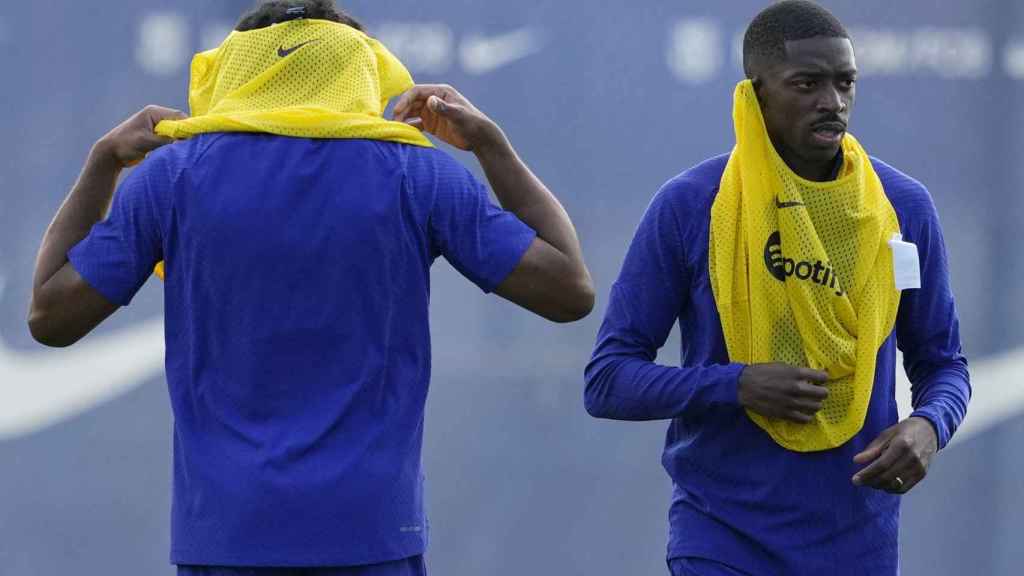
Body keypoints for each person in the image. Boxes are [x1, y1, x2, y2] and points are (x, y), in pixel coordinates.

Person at [28, 1, 593, 574]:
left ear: (234, 71)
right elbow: (569, 288)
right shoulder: (415, 173)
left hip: (226, 540)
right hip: (371, 538)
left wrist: (102, 163)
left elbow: (50, 316)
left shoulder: (173, 178)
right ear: (359, 71)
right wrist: (491, 146)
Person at [584, 2, 969, 575]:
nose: (832, 103)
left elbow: (944, 365)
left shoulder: (902, 208)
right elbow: (608, 380)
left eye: (845, 84)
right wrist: (737, 386)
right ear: (757, 94)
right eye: (806, 84)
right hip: (721, 538)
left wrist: (929, 425)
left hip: (857, 543)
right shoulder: (692, 206)